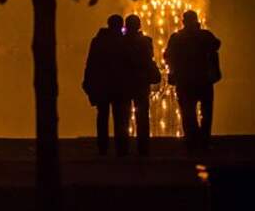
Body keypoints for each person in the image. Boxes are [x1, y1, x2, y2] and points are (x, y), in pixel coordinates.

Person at [164, 10, 221, 151]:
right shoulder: (205, 36)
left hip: (184, 80)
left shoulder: (177, 38)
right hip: (204, 79)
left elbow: (167, 56)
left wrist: (173, 73)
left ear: (183, 21)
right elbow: (216, 45)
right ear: (196, 20)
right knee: (206, 112)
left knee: (187, 111)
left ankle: (192, 139)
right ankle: (204, 140)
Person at [83, 14, 129, 156]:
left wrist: (89, 82)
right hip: (119, 85)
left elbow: (91, 63)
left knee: (103, 115)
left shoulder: (98, 41)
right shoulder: (123, 42)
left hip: (103, 85)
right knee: (120, 117)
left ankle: (103, 146)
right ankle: (121, 147)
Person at [123, 14, 157, 156]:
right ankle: (143, 147)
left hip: (125, 82)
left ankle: (123, 147)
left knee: (124, 116)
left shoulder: (121, 42)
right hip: (141, 82)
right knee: (142, 116)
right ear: (139, 25)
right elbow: (149, 59)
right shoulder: (146, 41)